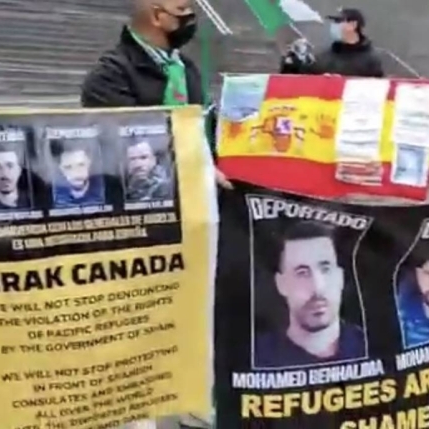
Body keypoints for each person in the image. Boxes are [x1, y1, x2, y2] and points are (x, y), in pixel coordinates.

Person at [80, 0, 230, 189]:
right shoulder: (109, 76)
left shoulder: (186, 68)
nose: (190, 17)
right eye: (182, 10)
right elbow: (128, 144)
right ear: (156, 16)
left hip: (200, 194)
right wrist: (194, 169)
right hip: (145, 197)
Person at [254, 221, 366, 368]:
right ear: (281, 284)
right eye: (302, 273)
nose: (318, 287)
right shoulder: (257, 359)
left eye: (325, 269)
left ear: (341, 277)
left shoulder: (375, 348)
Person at [280, 7, 384, 78]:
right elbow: (299, 81)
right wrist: (291, 64)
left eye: (338, 22)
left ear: (353, 25)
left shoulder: (371, 59)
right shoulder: (324, 57)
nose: (334, 26)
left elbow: (378, 91)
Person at [52, 142, 104, 207]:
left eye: (81, 165)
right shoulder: (56, 199)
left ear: (89, 163)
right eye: (68, 167)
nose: (75, 172)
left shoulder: (103, 192)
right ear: (60, 169)